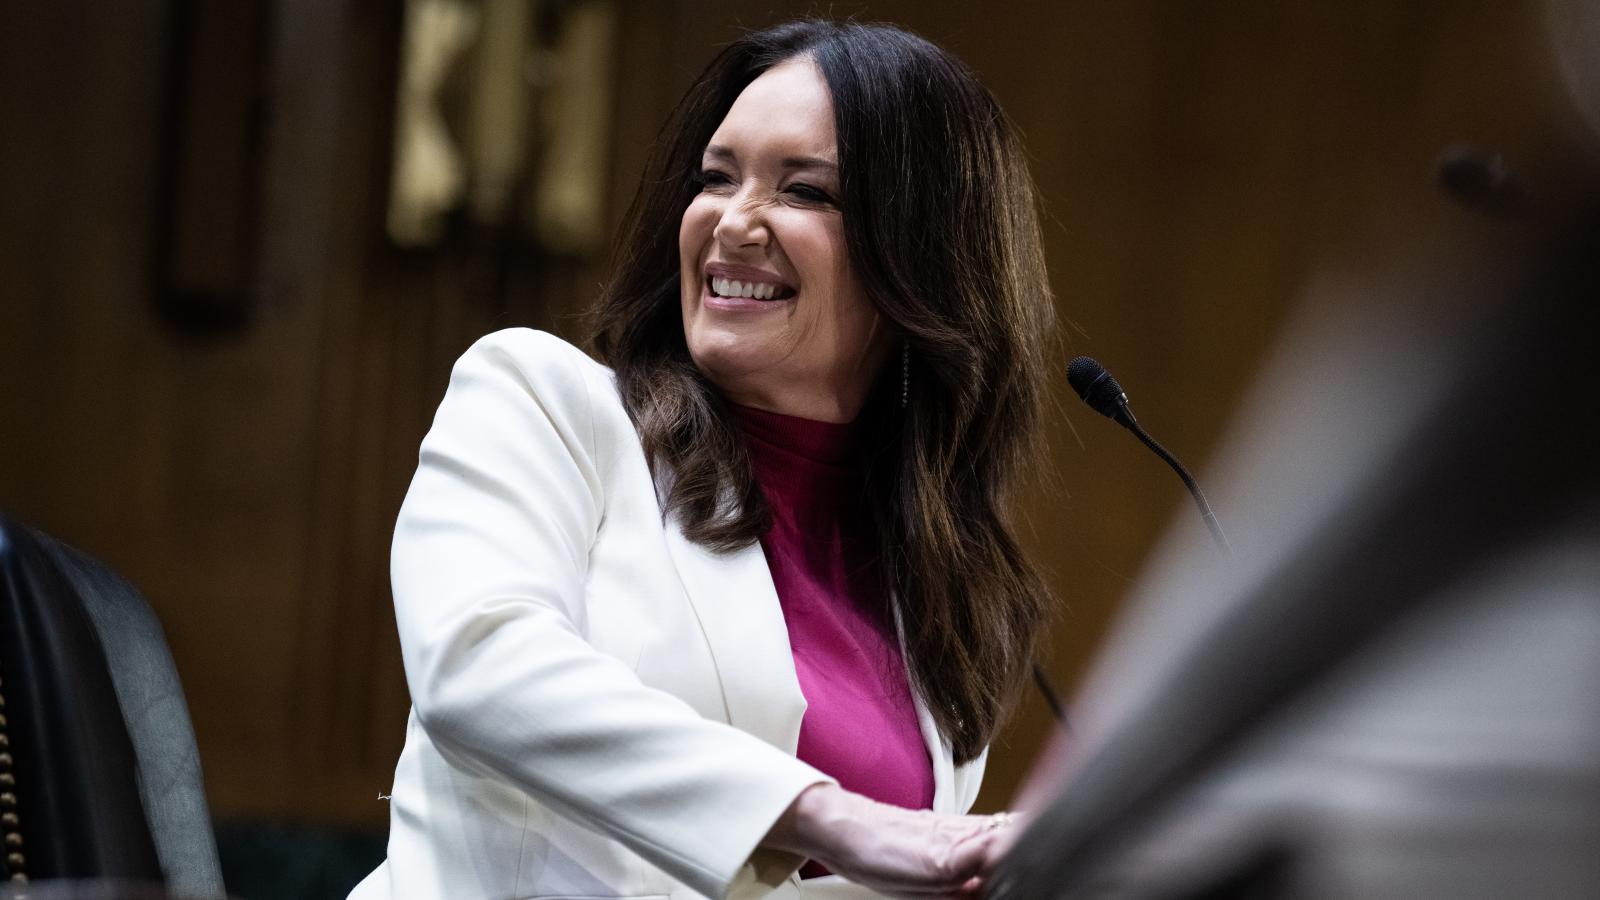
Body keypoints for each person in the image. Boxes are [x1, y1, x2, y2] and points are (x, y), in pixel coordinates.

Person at [350, 18, 1056, 900]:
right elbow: (479, 667)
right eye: (715, 178)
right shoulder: (542, 402)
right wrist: (840, 818)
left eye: (805, 191)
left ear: (924, 256)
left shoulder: (935, 567)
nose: (734, 220)